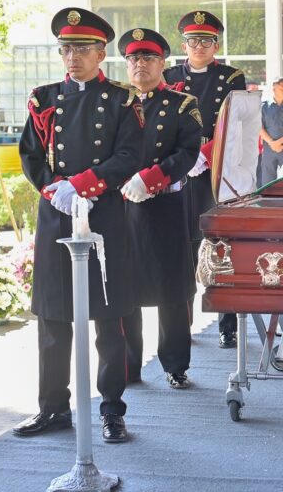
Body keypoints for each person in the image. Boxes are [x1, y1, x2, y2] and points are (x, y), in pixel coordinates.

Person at [15, 8, 144, 443]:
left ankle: (112, 409)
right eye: (66, 49)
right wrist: (55, 189)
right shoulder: (44, 98)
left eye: (82, 49)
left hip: (103, 215)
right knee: (52, 317)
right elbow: (31, 155)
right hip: (56, 218)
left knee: (109, 317)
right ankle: (52, 407)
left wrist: (85, 184)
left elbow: (130, 156)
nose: (72, 57)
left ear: (101, 52)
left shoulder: (123, 100)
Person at [117, 28, 202, 389]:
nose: (140, 65)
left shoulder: (182, 104)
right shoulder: (116, 104)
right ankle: (128, 365)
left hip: (165, 205)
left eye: (148, 58)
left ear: (163, 63)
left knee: (172, 289)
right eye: (134, 58)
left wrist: (152, 178)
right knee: (124, 289)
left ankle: (175, 364)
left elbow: (187, 152)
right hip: (121, 208)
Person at [163, 10, 246, 349]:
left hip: (215, 173)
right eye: (193, 41)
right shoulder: (168, 75)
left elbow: (236, 122)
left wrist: (206, 154)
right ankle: (182, 323)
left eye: (207, 41)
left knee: (222, 248)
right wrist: (186, 155)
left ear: (216, 45)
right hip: (180, 177)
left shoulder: (231, 77)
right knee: (181, 250)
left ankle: (227, 323)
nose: (199, 46)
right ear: (184, 44)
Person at [259, 76, 283, 185]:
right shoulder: (264, 107)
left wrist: (278, 142)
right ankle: (267, 202)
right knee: (267, 181)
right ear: (274, 89)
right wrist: (272, 143)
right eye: (282, 88)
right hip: (269, 150)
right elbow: (259, 127)